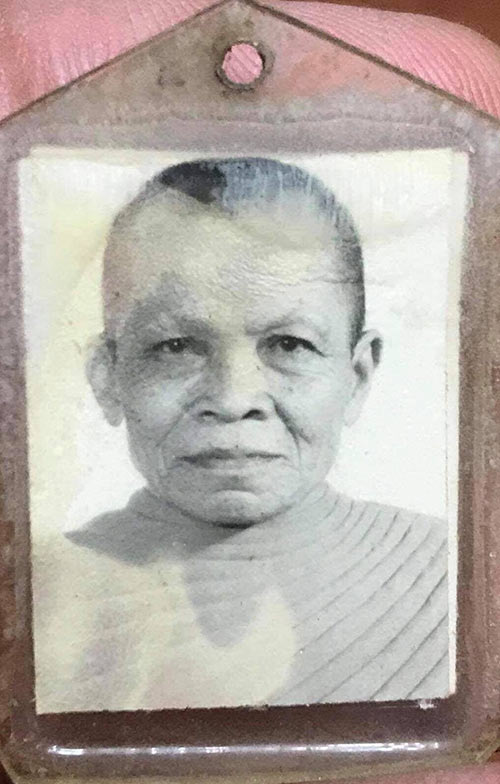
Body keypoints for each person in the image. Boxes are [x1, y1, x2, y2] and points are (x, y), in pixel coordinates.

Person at [34, 157, 448, 713]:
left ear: (357, 376)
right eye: (176, 346)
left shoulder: (449, 575)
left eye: (290, 345)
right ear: (108, 377)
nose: (233, 400)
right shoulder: (42, 594)